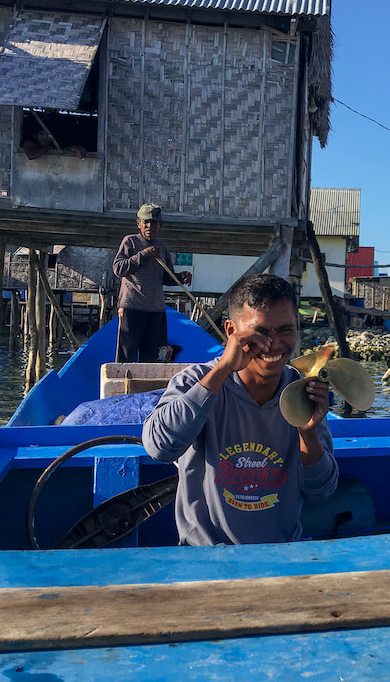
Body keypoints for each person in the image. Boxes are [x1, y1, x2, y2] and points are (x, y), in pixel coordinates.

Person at [142, 274, 338, 546]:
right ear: (231, 332)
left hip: (281, 556)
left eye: (285, 330)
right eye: (259, 333)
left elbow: (322, 492)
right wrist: (222, 369)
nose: (273, 344)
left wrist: (309, 434)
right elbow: (159, 447)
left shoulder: (302, 392)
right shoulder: (193, 382)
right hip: (205, 559)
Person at [112, 203, 192, 362]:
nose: (149, 226)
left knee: (154, 356)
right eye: (146, 222)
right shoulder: (131, 242)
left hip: (156, 310)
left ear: (159, 225)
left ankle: (149, 387)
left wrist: (181, 277)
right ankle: (123, 385)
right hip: (132, 307)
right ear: (138, 224)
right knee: (127, 355)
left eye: (154, 222)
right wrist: (142, 255)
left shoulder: (162, 247)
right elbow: (118, 268)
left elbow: (167, 278)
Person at [22, 128, 87, 160]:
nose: (44, 137)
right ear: (35, 136)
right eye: (41, 134)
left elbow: (66, 148)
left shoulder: (56, 143)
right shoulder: (28, 142)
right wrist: (48, 147)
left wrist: (76, 148)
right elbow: (31, 155)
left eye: (47, 134)